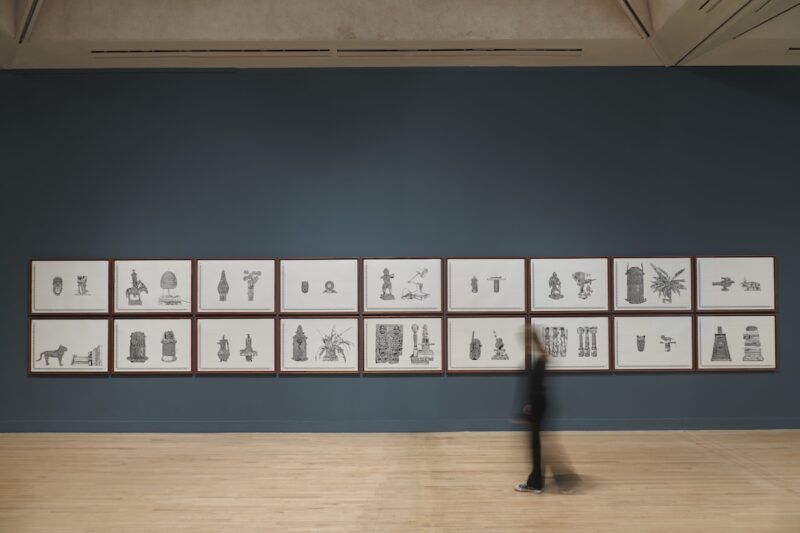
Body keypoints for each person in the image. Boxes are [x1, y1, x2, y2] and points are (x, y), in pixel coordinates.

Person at [515, 326, 579, 494]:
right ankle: (542, 482)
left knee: (538, 446)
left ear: (529, 341)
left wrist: (527, 410)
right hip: (539, 405)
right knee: (540, 445)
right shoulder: (540, 357)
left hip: (537, 406)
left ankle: (549, 483)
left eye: (524, 339)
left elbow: (535, 389)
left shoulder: (537, 360)